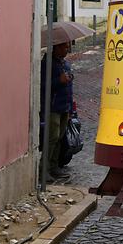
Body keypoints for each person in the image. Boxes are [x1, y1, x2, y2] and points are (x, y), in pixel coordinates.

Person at [41, 41, 74, 181]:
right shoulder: (47, 64)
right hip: (52, 107)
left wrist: (70, 106)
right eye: (64, 47)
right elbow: (43, 85)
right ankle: (44, 168)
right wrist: (59, 81)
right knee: (52, 137)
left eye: (68, 47)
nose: (67, 50)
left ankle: (54, 166)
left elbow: (69, 87)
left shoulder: (64, 63)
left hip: (64, 106)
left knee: (60, 137)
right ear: (56, 47)